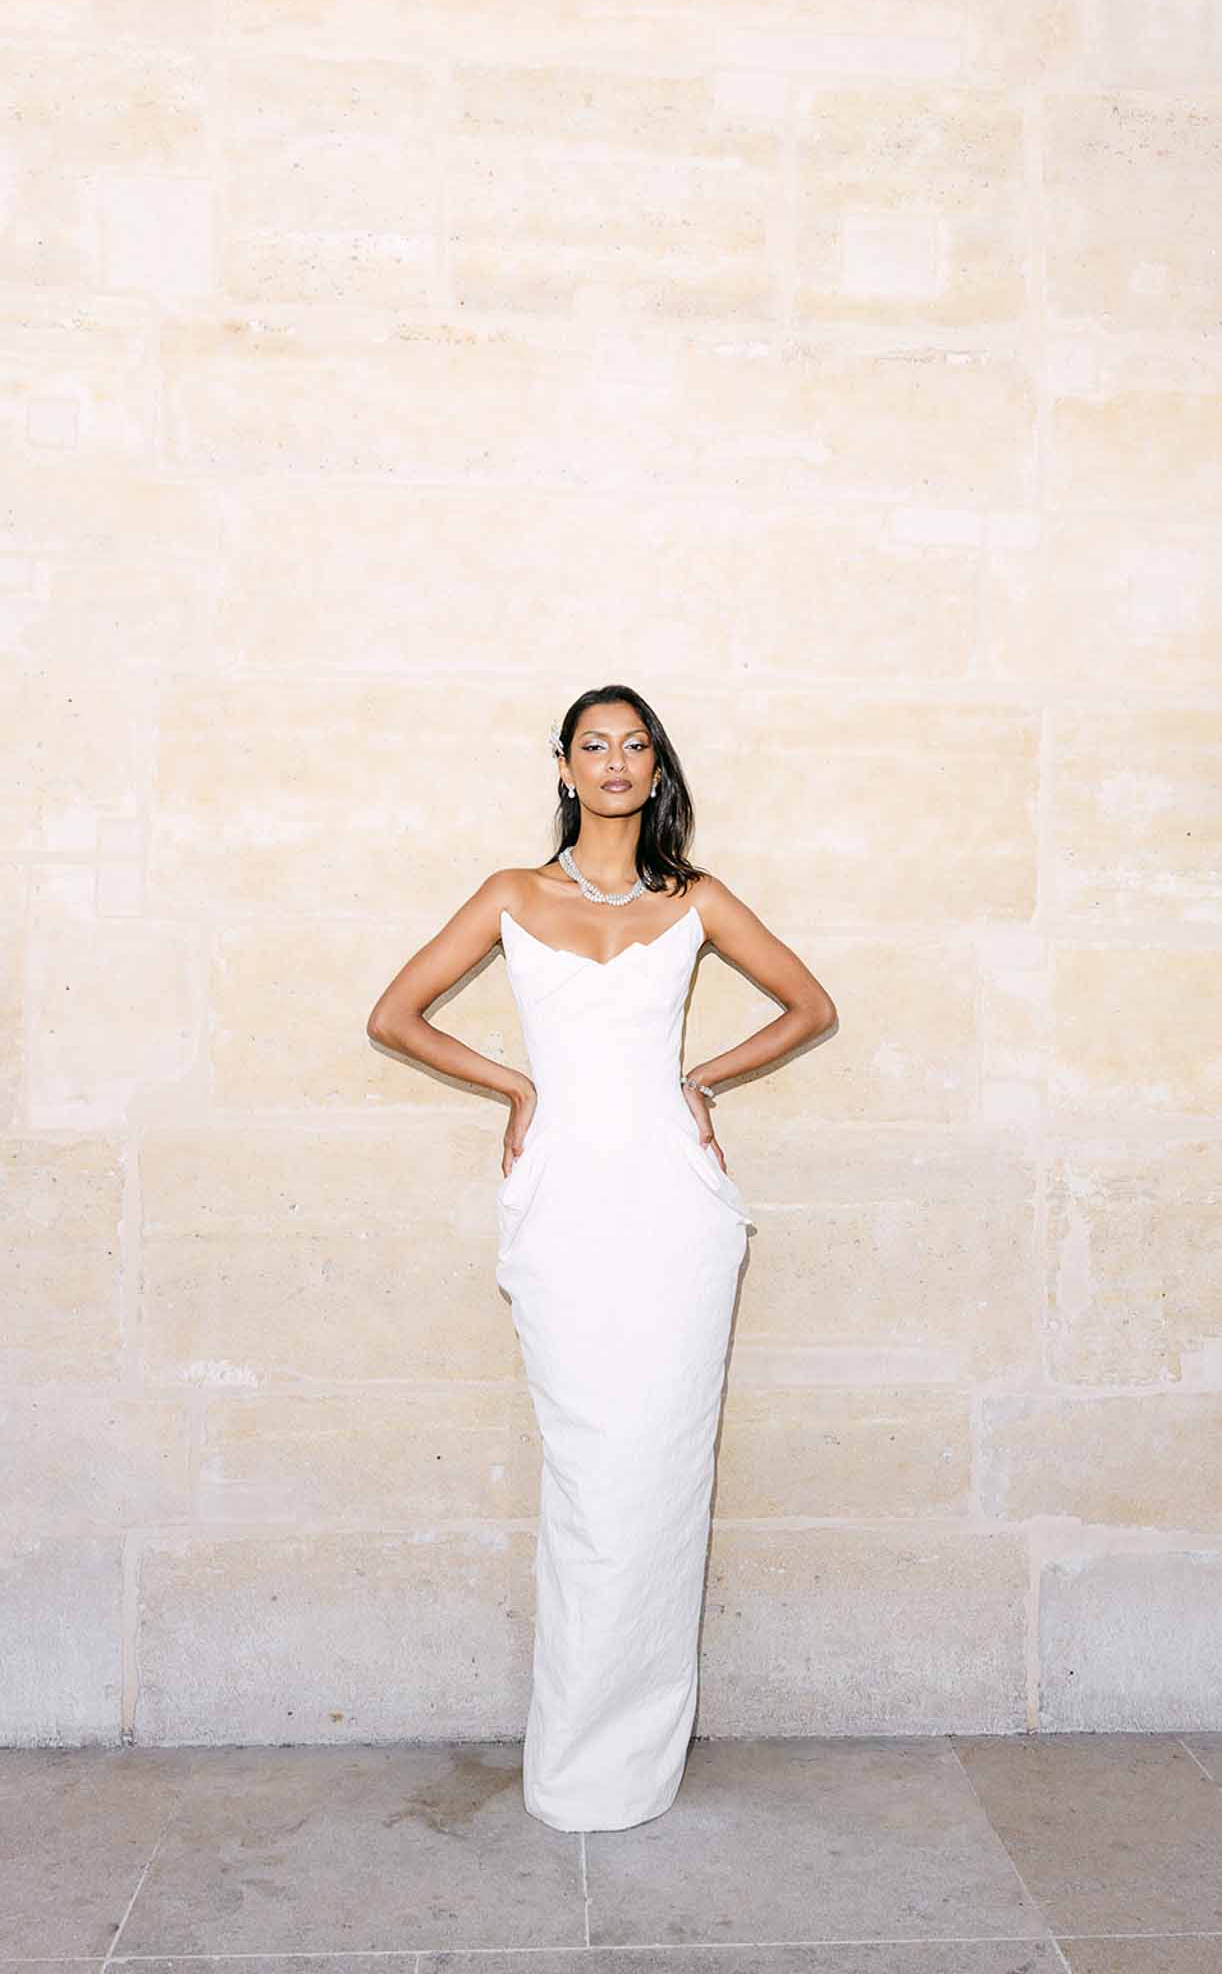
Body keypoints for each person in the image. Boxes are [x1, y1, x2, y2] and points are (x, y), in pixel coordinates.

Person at [365, 683, 838, 1832]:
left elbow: (808, 1006)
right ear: (566, 768)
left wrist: (702, 1078)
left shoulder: (695, 898)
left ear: (655, 769)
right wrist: (515, 1083)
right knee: (592, 1467)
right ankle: (573, 1762)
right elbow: (395, 1015)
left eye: (635, 744)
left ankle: (636, 1760)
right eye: (595, 744)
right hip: (564, 1201)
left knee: (662, 1469)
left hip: (672, 1208)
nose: (615, 760)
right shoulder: (511, 893)